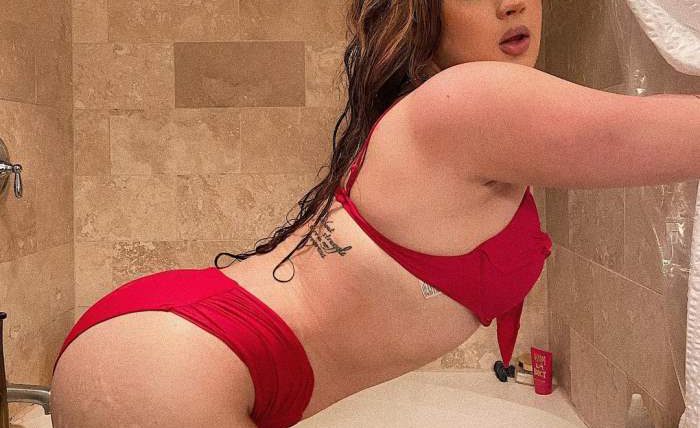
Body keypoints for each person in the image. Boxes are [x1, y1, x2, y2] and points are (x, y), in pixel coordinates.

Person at [50, 1, 699, 427]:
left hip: (181, 345)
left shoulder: (427, 114)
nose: (511, 2)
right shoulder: (471, 98)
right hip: (182, 364)